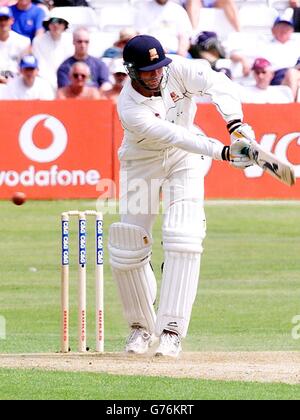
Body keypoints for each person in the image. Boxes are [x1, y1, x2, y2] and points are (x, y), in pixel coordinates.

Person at [108, 35, 255, 358]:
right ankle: (140, 328)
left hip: (184, 160)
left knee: (184, 235)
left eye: (157, 68)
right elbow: (176, 135)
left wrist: (237, 126)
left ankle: (171, 331)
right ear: (131, 71)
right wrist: (225, 153)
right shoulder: (130, 107)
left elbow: (221, 85)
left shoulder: (179, 68)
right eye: (146, 71)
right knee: (127, 245)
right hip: (141, 161)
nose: (155, 75)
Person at [32, 13, 73, 89]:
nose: (56, 25)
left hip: (67, 80)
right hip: (44, 81)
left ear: (65, 25)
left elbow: (71, 64)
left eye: (60, 22)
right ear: (48, 24)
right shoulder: (38, 41)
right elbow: (40, 64)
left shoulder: (71, 40)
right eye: (53, 21)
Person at [0, 6, 30, 84]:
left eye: (5, 19)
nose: (2, 23)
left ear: (11, 20)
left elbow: (27, 65)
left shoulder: (23, 41)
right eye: (0, 19)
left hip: (16, 82)